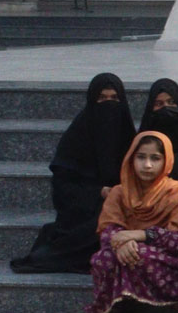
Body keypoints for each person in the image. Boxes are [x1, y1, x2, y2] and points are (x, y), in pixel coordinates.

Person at [12, 74, 135, 275]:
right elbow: (63, 189)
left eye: (114, 98)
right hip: (82, 214)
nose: (109, 104)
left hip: (123, 208)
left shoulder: (129, 137)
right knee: (99, 225)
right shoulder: (77, 138)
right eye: (102, 99)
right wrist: (99, 192)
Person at [82, 132, 178, 313]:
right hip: (127, 249)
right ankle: (119, 306)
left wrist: (142, 235)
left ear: (166, 161)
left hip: (172, 260)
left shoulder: (177, 194)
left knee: (140, 255)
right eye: (141, 157)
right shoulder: (119, 193)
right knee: (103, 258)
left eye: (155, 158)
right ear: (131, 159)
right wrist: (122, 243)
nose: (147, 165)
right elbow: (107, 230)